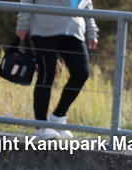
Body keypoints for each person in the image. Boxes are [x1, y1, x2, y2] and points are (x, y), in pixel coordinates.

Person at [16, 0, 99, 140]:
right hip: (45, 28)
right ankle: (41, 126)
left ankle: (58, 117)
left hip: (74, 30)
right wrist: (23, 23)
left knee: (81, 73)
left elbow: (87, 5)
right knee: (46, 74)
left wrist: (92, 31)